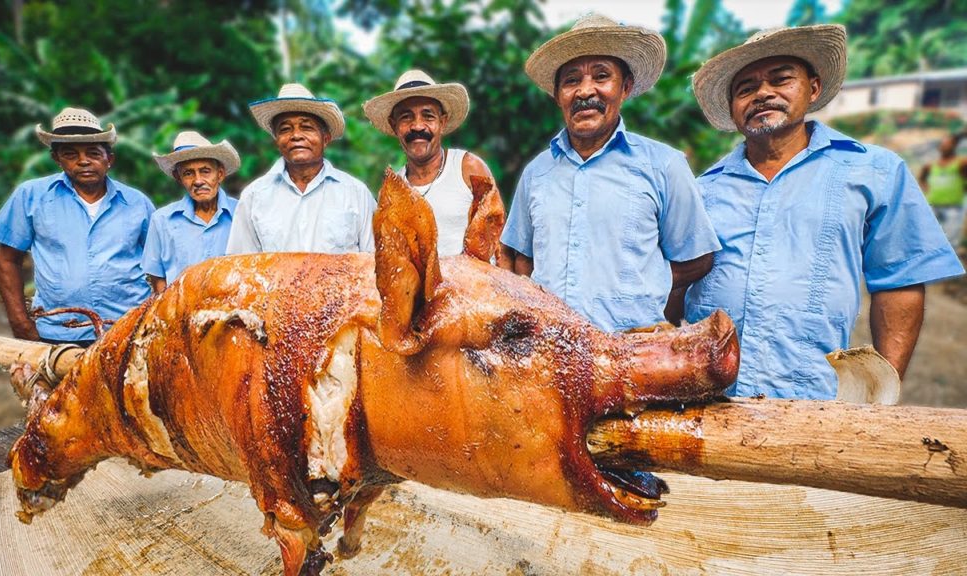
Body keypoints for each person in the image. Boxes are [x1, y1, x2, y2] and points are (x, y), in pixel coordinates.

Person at [685, 24, 964, 399]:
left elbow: (899, 281)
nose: (763, 93)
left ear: (813, 88)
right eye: (746, 88)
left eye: (781, 79)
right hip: (711, 398)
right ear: (734, 108)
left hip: (813, 397)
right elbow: (673, 285)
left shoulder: (874, 171)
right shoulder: (701, 189)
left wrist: (878, 392)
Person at [499, 14, 721, 332]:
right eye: (572, 80)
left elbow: (697, 259)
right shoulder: (537, 173)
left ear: (625, 87)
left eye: (601, 76)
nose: (585, 91)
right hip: (550, 355)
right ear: (557, 95)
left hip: (629, 355)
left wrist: (644, 283)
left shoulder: (663, 166)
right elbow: (522, 258)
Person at [0, 107, 154, 346]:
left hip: (129, 330)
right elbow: (7, 260)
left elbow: (160, 263)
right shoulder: (31, 196)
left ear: (109, 160)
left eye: (93, 153)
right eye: (70, 154)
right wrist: (21, 324)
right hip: (59, 334)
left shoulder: (137, 203)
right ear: (57, 159)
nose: (83, 161)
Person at [363, 69, 503, 257]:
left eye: (428, 116)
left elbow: (497, 239)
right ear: (394, 125)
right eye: (406, 117)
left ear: (442, 122)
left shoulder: (468, 168)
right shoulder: (391, 191)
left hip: (474, 283)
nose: (418, 126)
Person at [227, 83, 375, 254]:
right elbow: (241, 266)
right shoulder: (254, 196)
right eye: (285, 129)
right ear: (277, 141)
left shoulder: (356, 193)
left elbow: (374, 263)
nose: (296, 136)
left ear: (325, 138)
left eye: (306, 127)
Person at [143, 131, 241, 293]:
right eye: (188, 173)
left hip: (232, 313)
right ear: (178, 177)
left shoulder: (241, 213)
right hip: (179, 314)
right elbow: (157, 278)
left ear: (220, 174)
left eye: (205, 171)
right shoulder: (162, 220)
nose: (198, 181)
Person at [919, 132, 967, 246]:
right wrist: (926, 189)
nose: (944, 146)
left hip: (953, 207)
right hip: (933, 206)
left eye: (948, 143)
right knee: (929, 239)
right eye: (943, 144)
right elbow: (921, 178)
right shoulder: (931, 165)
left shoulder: (961, 163)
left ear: (954, 146)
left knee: (951, 242)